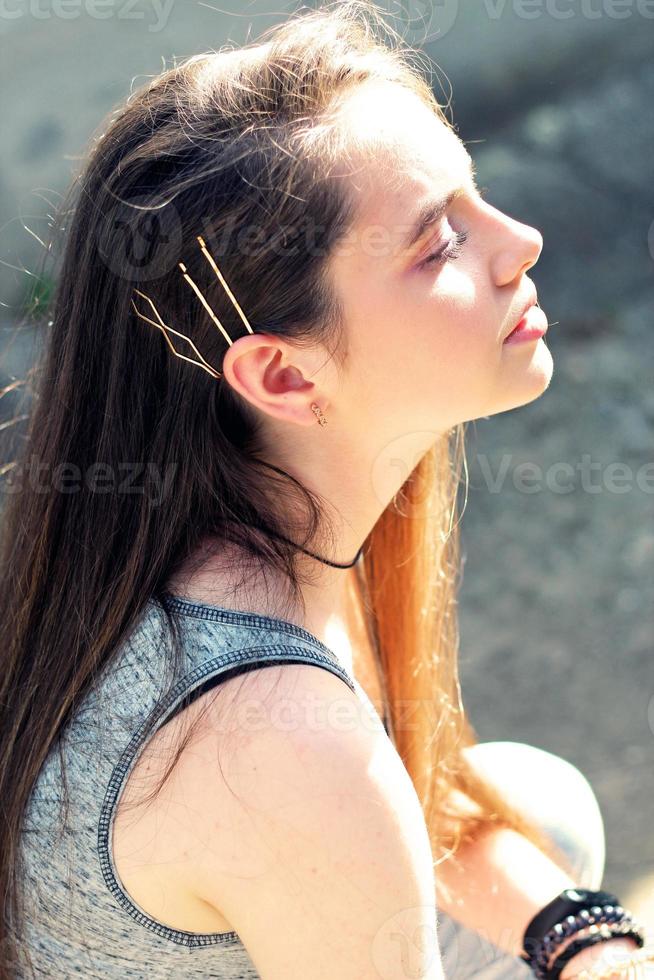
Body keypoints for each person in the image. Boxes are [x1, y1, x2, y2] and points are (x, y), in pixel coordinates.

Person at [0, 2, 646, 978]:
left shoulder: (234, 509)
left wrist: (584, 933)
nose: (521, 241)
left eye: (476, 199)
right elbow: (351, 781)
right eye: (438, 245)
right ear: (288, 377)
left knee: (541, 808)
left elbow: (431, 785)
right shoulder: (285, 746)